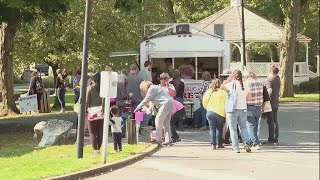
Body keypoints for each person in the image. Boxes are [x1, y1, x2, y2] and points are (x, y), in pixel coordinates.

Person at [221, 70, 252, 153]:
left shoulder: (231, 84)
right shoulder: (245, 85)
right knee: (243, 127)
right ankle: (246, 143)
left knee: (233, 129)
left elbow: (221, 86)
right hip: (243, 109)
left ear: (233, 76)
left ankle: (236, 148)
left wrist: (229, 79)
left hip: (232, 109)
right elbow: (249, 98)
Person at [135, 81, 173, 146]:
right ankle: (168, 140)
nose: (143, 90)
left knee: (158, 121)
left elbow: (146, 99)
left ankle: (158, 139)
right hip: (170, 103)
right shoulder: (156, 87)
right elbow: (151, 102)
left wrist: (137, 108)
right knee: (166, 123)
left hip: (165, 104)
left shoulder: (151, 89)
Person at [203, 79, 227, 149]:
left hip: (210, 111)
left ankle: (213, 144)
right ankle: (220, 143)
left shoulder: (209, 91)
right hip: (221, 113)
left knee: (212, 128)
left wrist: (206, 108)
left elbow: (204, 101)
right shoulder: (224, 92)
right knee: (220, 129)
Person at [243, 71, 264, 150]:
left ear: (247, 77)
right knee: (255, 125)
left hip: (249, 106)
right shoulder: (260, 83)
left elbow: (245, 96)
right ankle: (250, 142)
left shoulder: (246, 84)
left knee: (251, 125)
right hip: (258, 106)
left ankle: (255, 143)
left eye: (244, 77)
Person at [86, 72, 104, 155]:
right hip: (100, 110)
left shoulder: (90, 87)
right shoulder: (103, 88)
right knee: (99, 130)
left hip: (92, 110)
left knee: (92, 131)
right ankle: (99, 148)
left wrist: (85, 110)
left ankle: (95, 150)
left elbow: (87, 101)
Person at [265, 65, 281, 145]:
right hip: (276, 102)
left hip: (270, 103)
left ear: (270, 71)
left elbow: (269, 91)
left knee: (270, 121)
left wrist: (264, 99)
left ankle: (271, 138)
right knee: (275, 120)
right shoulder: (277, 79)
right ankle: (276, 137)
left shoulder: (269, 80)